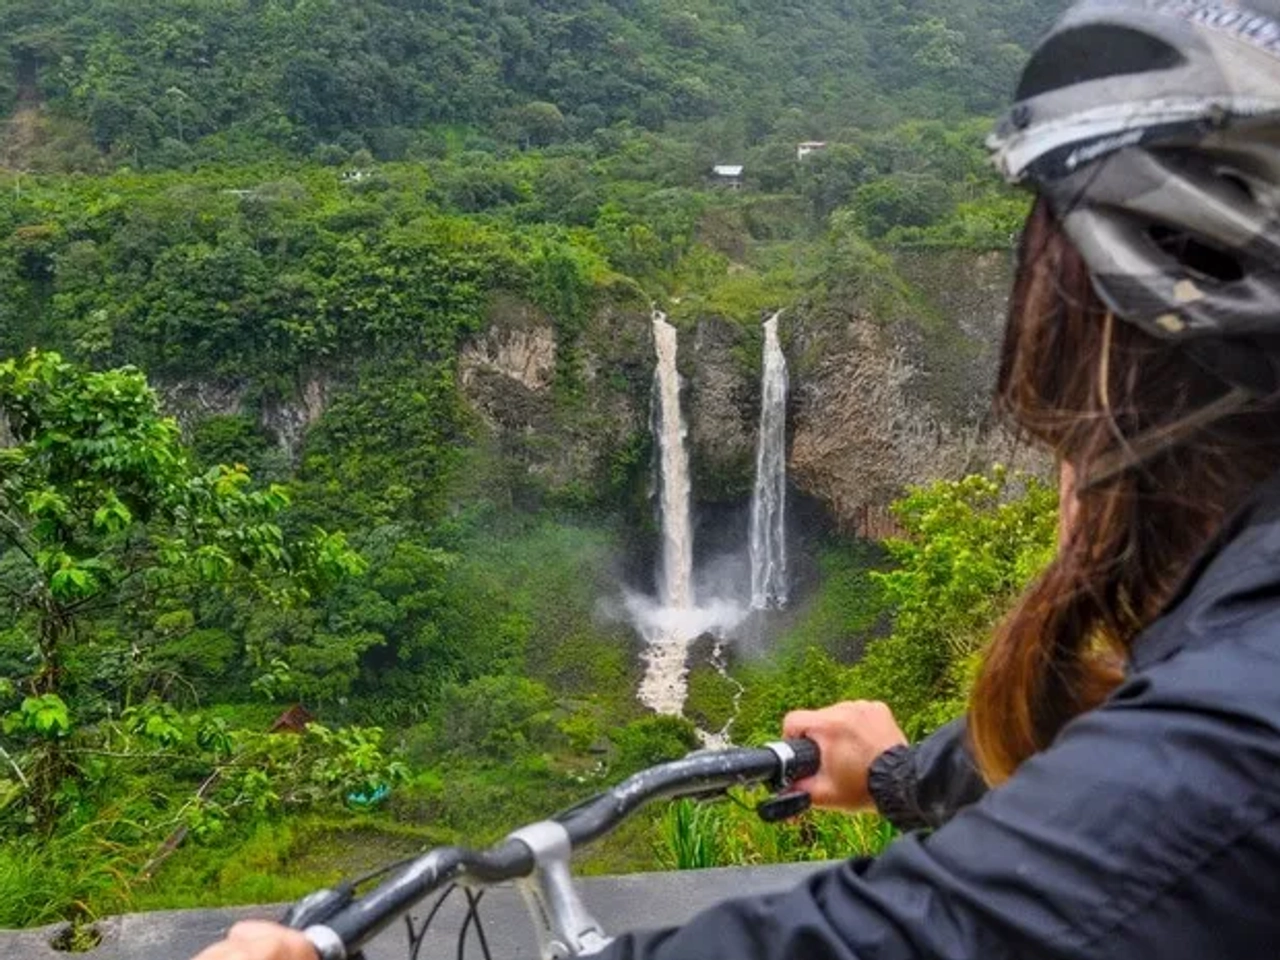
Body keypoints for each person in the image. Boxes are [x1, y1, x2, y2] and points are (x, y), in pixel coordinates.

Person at [195, 0, 1280, 957]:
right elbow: (1119, 776)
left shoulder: (1233, 743)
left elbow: (948, 922)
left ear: (1106, 344)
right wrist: (909, 773)